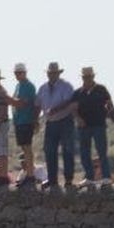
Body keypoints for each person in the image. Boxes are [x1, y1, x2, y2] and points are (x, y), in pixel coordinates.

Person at [36, 62, 77, 191]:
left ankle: (68, 180)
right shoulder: (42, 88)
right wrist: (35, 120)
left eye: (54, 73)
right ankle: (52, 180)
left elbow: (69, 101)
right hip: (50, 122)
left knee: (67, 151)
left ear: (58, 73)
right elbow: (37, 104)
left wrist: (56, 109)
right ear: (48, 73)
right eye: (50, 73)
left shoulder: (66, 86)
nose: (52, 75)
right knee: (49, 151)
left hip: (65, 120)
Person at [74, 67, 113, 184]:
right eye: (85, 77)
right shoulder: (78, 92)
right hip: (83, 126)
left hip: (99, 125)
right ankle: (89, 177)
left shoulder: (101, 89)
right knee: (84, 152)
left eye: (89, 76)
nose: (87, 79)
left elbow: (109, 103)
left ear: (93, 76)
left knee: (102, 151)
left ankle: (106, 177)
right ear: (82, 78)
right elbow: (73, 109)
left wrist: (108, 111)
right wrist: (78, 118)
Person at [6, 62, 38, 187]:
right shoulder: (19, 86)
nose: (17, 75)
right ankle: (28, 174)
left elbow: (22, 103)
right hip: (19, 121)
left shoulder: (28, 86)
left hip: (26, 120)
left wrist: (8, 99)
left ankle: (31, 175)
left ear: (25, 73)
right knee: (25, 148)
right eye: (16, 73)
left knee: (27, 148)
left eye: (20, 72)